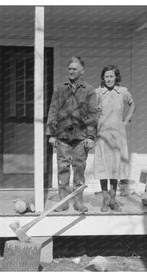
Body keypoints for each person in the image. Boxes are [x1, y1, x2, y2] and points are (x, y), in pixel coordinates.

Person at [46, 56, 99, 212]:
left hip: (81, 139)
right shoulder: (60, 89)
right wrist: (51, 134)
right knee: (62, 171)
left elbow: (93, 115)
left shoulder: (89, 91)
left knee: (79, 173)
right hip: (62, 137)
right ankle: (62, 203)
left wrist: (90, 137)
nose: (71, 71)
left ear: (82, 72)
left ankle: (78, 202)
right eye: (69, 69)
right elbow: (53, 111)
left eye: (74, 69)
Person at [94, 65, 135, 212]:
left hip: (118, 135)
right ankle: (105, 201)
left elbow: (132, 105)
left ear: (115, 77)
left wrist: (126, 121)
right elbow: (92, 111)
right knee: (104, 167)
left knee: (116, 168)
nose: (109, 79)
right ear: (103, 78)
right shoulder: (98, 92)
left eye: (111, 76)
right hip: (103, 135)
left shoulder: (122, 91)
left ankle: (113, 200)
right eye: (106, 76)